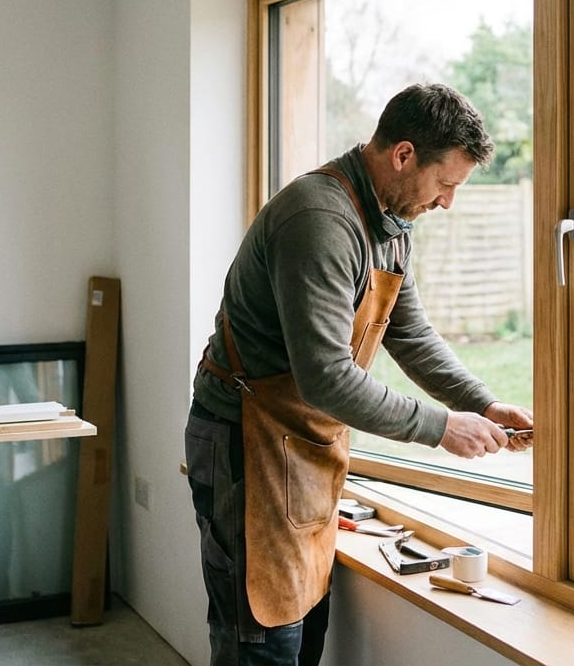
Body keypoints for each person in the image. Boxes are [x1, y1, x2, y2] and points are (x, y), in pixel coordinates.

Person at [184, 83, 534, 666]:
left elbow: (409, 334)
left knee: (300, 633)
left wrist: (484, 404)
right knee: (261, 644)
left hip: (301, 449)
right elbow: (326, 377)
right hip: (246, 447)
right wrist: (443, 427)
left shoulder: (392, 221)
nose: (447, 201)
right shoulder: (320, 220)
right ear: (403, 155)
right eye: (445, 184)